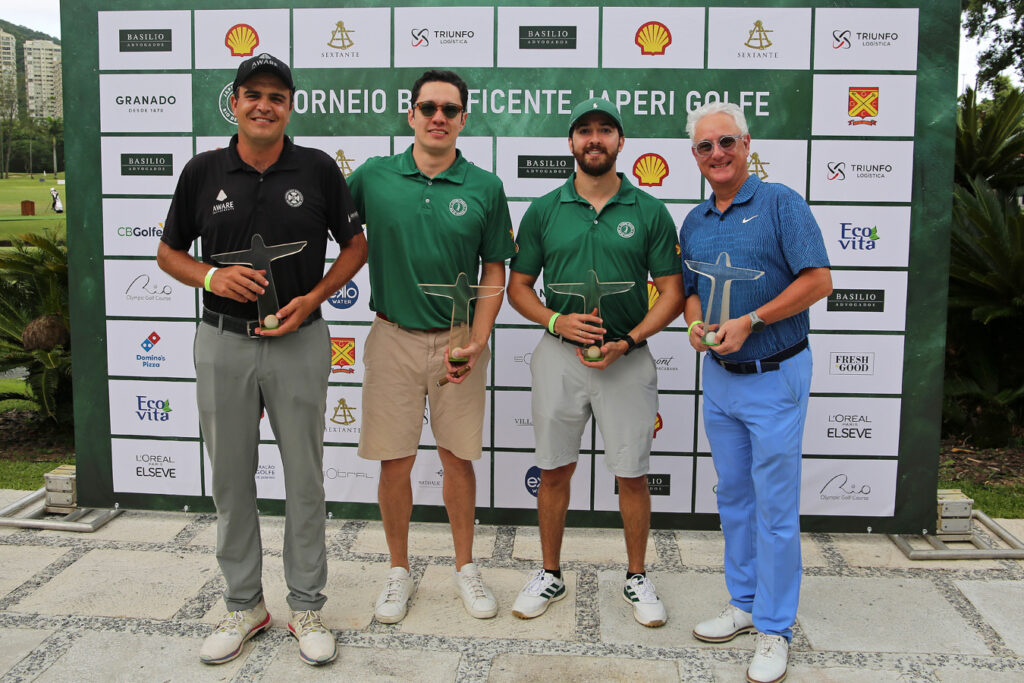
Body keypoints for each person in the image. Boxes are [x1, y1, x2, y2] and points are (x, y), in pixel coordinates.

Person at [157, 53, 367, 666]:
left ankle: (306, 605)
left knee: (304, 478)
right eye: (253, 94)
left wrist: (314, 299)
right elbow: (169, 253)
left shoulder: (318, 168)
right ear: (235, 102)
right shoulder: (202, 170)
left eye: (277, 96)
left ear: (290, 106)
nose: (264, 106)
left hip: (299, 341)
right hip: (223, 340)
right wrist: (210, 277)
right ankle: (244, 604)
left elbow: (355, 246)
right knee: (229, 478)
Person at [506, 97, 684, 627]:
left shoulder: (648, 210)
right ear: (571, 142)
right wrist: (554, 321)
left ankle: (637, 576)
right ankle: (550, 573)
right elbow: (518, 287)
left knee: (633, 474)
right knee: (554, 468)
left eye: (606, 130)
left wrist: (628, 340)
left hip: (626, 358)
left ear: (620, 142)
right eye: (584, 130)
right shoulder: (544, 209)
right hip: (559, 356)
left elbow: (672, 293)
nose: (594, 138)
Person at [346, 69, 514, 624]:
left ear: (464, 118)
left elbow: (495, 268)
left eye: (449, 109)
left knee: (457, 459)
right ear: (411, 114)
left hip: (458, 341)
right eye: (428, 108)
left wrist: (479, 338)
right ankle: (398, 570)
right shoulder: (373, 176)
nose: (438, 117)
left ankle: (465, 567)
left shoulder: (485, 186)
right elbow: (332, 226)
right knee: (394, 461)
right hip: (391, 335)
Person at [679, 101, 832, 683]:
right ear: (695, 156)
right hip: (721, 379)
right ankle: (743, 603)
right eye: (705, 146)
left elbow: (819, 280)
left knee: (775, 508)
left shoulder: (781, 203)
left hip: (775, 374)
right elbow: (691, 290)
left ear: (746, 145)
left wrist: (753, 320)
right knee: (735, 499)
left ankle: (774, 627)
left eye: (726, 142)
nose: (716, 153)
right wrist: (696, 324)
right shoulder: (695, 220)